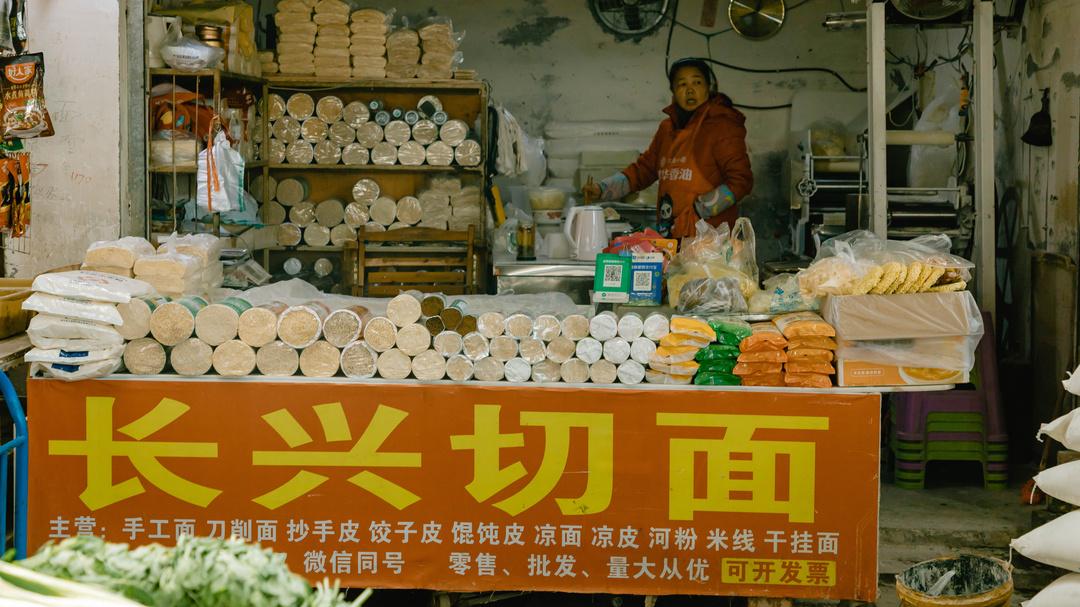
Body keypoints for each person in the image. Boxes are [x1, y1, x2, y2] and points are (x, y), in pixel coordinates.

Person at [582, 57, 753, 239]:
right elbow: (643, 170)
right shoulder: (667, 129)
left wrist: (699, 211)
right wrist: (602, 189)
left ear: (708, 87)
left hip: (710, 241)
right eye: (682, 84)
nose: (690, 90)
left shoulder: (722, 125)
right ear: (673, 91)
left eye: (697, 82)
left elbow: (740, 180)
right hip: (671, 235)